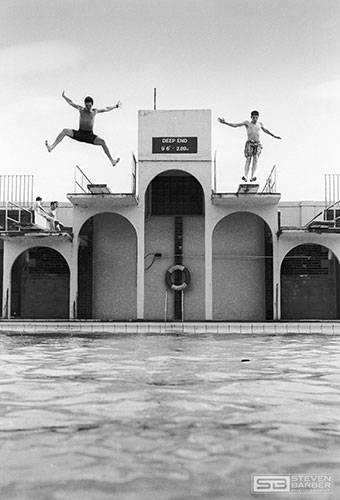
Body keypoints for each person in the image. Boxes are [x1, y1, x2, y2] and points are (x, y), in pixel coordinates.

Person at [45, 91, 122, 167]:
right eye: (87, 105)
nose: (88, 107)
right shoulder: (80, 109)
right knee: (65, 131)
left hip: (89, 136)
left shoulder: (95, 111)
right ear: (85, 104)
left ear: (92, 105)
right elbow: (71, 103)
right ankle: (51, 147)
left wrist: (115, 106)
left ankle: (112, 160)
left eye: (90, 106)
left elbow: (106, 109)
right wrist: (64, 97)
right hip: (80, 134)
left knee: (103, 142)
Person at [218, 110, 281, 182]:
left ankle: (253, 176)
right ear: (251, 117)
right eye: (254, 117)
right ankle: (246, 176)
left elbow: (266, 130)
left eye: (256, 118)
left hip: (257, 143)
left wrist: (274, 136)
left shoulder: (260, 124)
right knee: (248, 158)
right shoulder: (247, 123)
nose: (255, 119)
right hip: (250, 143)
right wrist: (225, 122)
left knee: (256, 158)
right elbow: (235, 125)